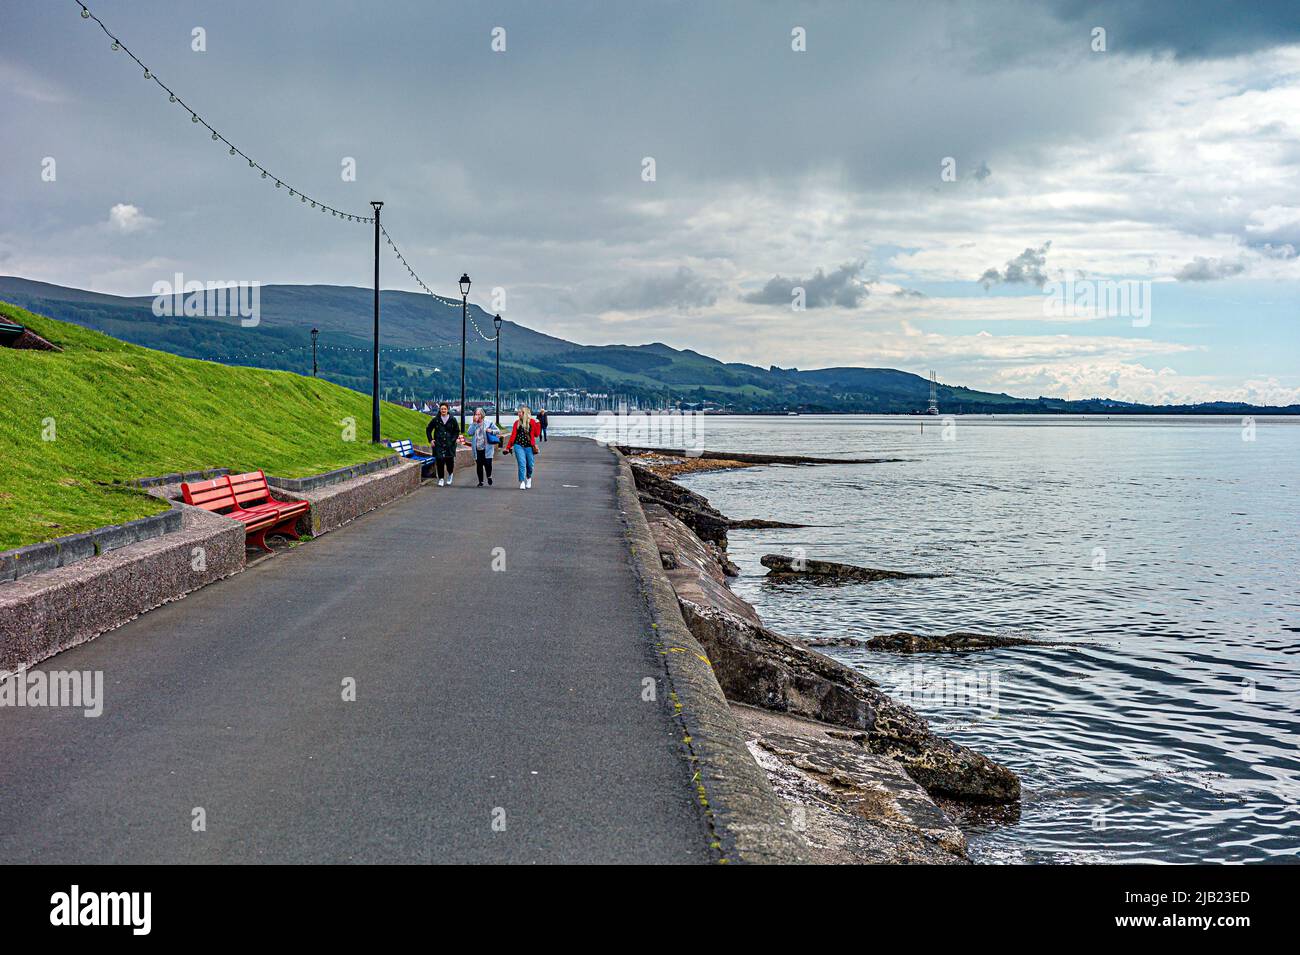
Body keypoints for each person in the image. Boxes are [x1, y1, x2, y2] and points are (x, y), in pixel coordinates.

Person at [503, 404, 541, 489]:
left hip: (529, 447)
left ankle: (528, 478)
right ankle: (522, 482)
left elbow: (537, 434)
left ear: (526, 413)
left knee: (530, 465)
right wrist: (508, 447)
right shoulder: (516, 423)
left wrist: (538, 424)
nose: (519, 414)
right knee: (522, 463)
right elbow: (513, 436)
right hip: (518, 446)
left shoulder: (532, 422)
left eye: (521, 412)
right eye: (519, 412)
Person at [425, 402, 461, 486]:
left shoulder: (452, 419)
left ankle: (450, 474)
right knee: (440, 460)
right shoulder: (436, 419)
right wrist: (431, 440)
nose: (443, 410)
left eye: (445, 409)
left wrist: (453, 440)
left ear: (447, 409)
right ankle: (441, 478)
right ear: (440, 410)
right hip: (438, 444)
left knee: (449, 461)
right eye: (442, 409)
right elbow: (428, 429)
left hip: (450, 444)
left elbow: (456, 431)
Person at [465, 408, 499, 487]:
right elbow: (469, 433)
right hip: (477, 448)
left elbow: (498, 431)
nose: (477, 416)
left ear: (482, 415)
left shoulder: (489, 423)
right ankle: (481, 481)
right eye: (476, 414)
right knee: (479, 465)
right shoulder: (474, 424)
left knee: (488, 464)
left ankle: (489, 476)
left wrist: (491, 431)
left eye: (478, 414)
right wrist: (474, 423)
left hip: (487, 448)